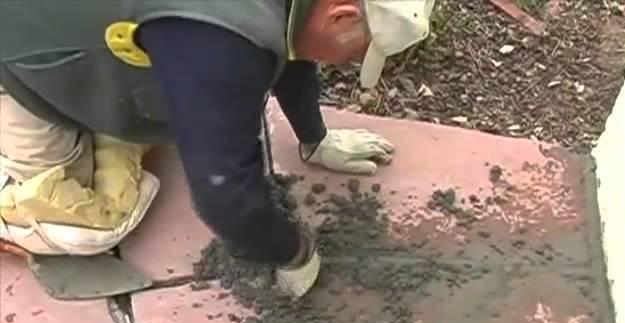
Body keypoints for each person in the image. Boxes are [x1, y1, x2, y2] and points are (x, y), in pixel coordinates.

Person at [0, 0, 435, 296]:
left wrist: (314, 138)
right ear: (340, 16)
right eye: (358, 53)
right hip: (15, 59)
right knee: (91, 224)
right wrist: (292, 250)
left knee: (192, 113)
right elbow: (225, 198)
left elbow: (291, 48)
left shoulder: (261, 17)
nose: (348, 62)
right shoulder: (222, 40)